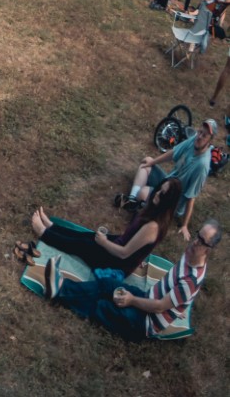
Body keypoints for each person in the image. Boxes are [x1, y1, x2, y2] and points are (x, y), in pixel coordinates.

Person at [42, 218, 219, 343]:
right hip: (148, 297)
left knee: (103, 306)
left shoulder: (191, 280)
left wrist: (132, 300)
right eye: (198, 235)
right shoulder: (190, 254)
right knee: (107, 285)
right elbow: (176, 297)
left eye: (202, 241)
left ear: (209, 250)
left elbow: (159, 306)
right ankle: (60, 287)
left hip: (145, 322)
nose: (196, 242)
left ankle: (60, 290)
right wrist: (178, 304)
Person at [17, 179, 183, 274]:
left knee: (82, 245)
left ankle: (44, 233)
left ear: (167, 202)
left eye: (162, 194)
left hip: (117, 264)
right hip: (120, 244)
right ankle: (52, 227)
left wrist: (104, 243)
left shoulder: (153, 226)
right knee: (86, 236)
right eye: (159, 190)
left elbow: (124, 254)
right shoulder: (154, 211)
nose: (157, 194)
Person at [118, 119, 215, 239]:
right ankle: (131, 200)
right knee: (146, 162)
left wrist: (184, 225)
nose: (199, 136)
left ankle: (142, 205)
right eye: (200, 132)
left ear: (210, 141)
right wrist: (152, 162)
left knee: (142, 193)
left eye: (204, 135)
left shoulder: (202, 166)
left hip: (173, 199)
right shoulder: (194, 141)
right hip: (167, 182)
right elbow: (173, 153)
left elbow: (191, 197)